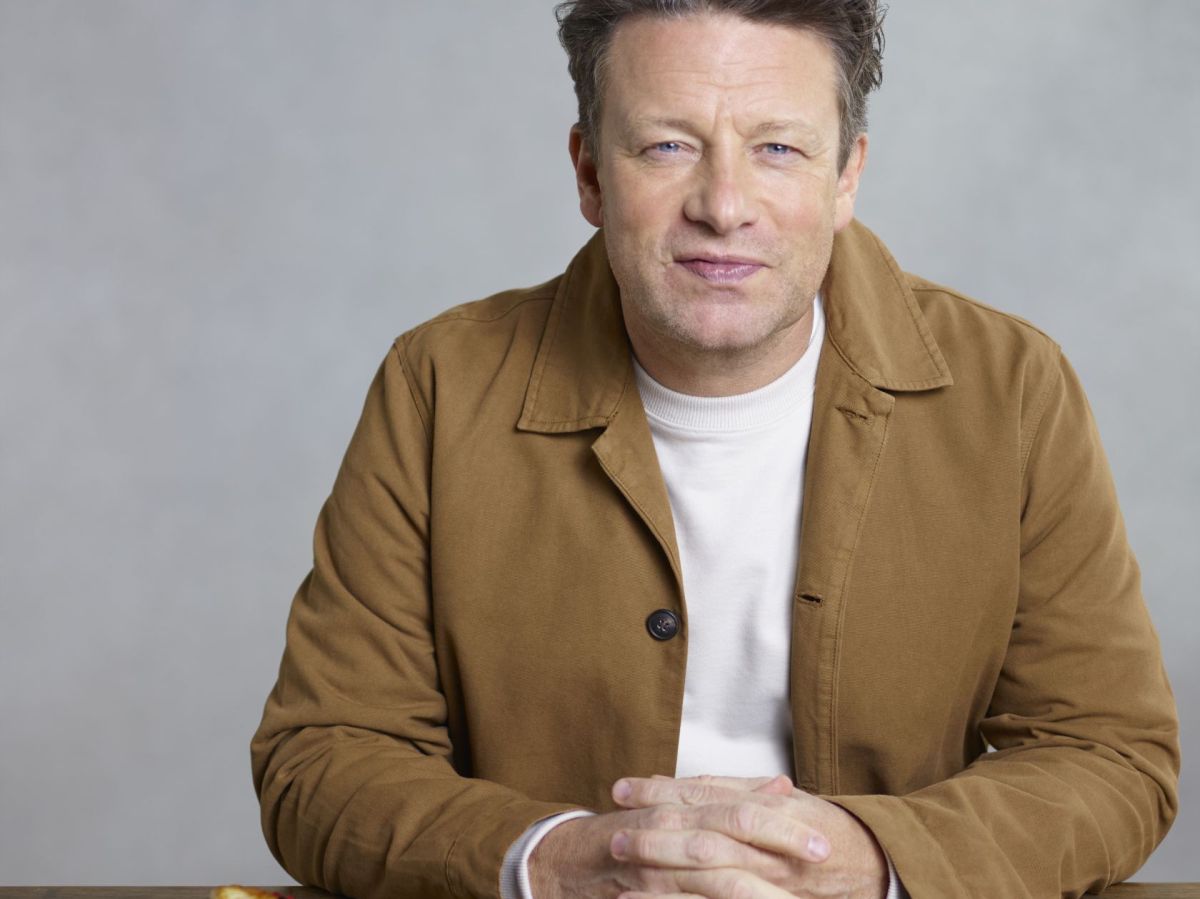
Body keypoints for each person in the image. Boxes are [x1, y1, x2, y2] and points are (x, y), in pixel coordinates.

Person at [250, 2, 1180, 897]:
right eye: (668, 145)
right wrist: (560, 862)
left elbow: (1109, 753)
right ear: (589, 173)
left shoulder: (1012, 388)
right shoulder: (439, 385)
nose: (724, 206)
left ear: (846, 175)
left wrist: (871, 861)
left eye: (778, 148)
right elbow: (321, 756)